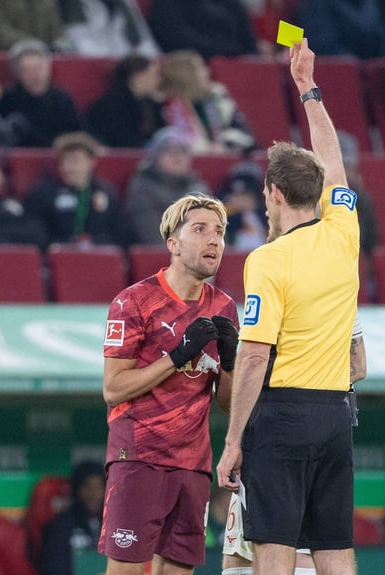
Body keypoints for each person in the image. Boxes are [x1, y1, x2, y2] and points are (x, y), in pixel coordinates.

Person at [215, 38, 360, 575]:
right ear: (318, 194)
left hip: (283, 415)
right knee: (334, 551)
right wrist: (308, 90)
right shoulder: (345, 232)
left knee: (273, 549)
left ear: (273, 193)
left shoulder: (267, 260)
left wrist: (232, 443)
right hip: (335, 415)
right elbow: (335, 161)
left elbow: (253, 357)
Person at [99, 193, 239, 575]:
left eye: (220, 232)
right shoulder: (134, 301)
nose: (214, 240)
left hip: (193, 464)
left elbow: (227, 403)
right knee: (127, 570)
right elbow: (113, 389)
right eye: (200, 230)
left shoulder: (224, 307)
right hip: (140, 456)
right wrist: (176, 356)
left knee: (177, 572)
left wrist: (229, 364)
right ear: (172, 244)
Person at [221, 315, 369, 575]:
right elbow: (359, 366)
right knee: (331, 549)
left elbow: (253, 363)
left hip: (273, 430)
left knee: (261, 552)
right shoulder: (340, 288)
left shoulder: (273, 283)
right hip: (330, 417)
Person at [23, 132, 127, 247]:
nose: (68, 168)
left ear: (91, 162)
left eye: (75, 161)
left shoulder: (107, 193)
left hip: (99, 258)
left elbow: (119, 233)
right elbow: (34, 231)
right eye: (64, 161)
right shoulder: (42, 194)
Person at [123, 127, 211, 245]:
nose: (177, 156)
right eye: (169, 151)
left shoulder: (200, 190)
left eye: (183, 151)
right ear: (156, 156)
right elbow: (152, 236)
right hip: (159, 259)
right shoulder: (142, 188)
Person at [160, 50, 256, 154]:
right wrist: (205, 149)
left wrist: (224, 145)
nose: (208, 71)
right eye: (200, 68)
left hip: (225, 156)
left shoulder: (218, 97)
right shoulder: (169, 107)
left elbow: (243, 134)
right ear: (185, 75)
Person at [0, 39, 82, 148]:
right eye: (27, 70)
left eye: (39, 68)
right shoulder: (8, 99)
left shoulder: (62, 98)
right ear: (17, 74)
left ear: (49, 68)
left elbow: (78, 129)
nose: (35, 75)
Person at [39, 460, 106, 575]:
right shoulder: (60, 526)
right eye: (88, 487)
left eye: (98, 487)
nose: (93, 494)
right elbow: (53, 567)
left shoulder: (113, 525)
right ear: (77, 489)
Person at [87, 56, 164, 149]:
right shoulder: (111, 105)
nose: (159, 81)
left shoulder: (150, 103)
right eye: (154, 75)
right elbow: (121, 140)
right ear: (138, 76)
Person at [148, 0, 258, 58]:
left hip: (240, 63)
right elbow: (178, 38)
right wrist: (230, 51)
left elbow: (248, 38)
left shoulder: (229, 3)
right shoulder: (168, 4)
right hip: (196, 67)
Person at [57, 0, 160, 58]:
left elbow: (146, 45)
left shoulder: (124, 4)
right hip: (98, 71)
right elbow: (82, 48)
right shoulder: (72, 5)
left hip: (132, 69)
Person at [0, 0, 66, 51]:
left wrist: (61, 47)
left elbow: (56, 30)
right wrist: (37, 47)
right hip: (5, 58)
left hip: (46, 58)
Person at [298, 0, 384, 59]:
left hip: (375, 74)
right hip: (338, 75)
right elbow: (323, 46)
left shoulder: (372, 4)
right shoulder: (318, 5)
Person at [216, 161, 268, 251]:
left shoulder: (264, 216)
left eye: (246, 197)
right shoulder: (225, 219)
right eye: (235, 197)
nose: (241, 202)